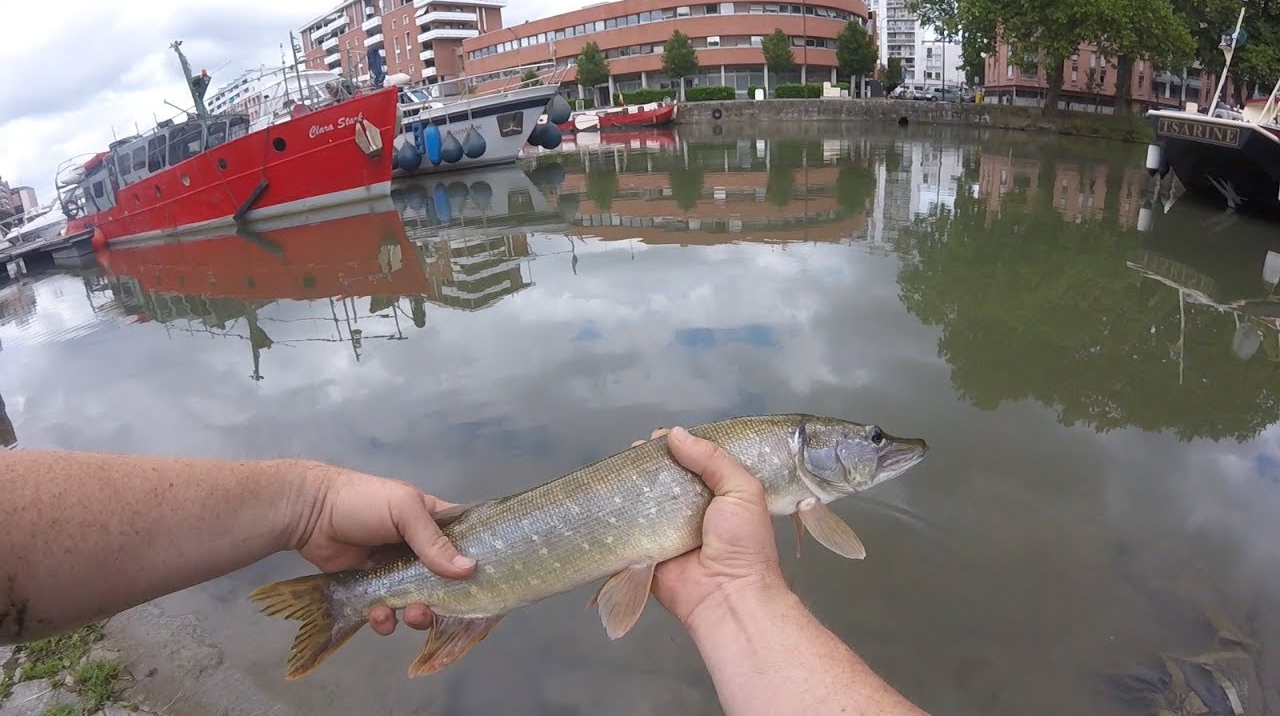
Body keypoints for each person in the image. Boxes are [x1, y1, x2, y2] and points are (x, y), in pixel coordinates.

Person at [0, 427, 926, 716]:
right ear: (827, 455)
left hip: (557, 562)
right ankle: (346, 603)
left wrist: (309, 505)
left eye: (876, 445)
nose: (887, 450)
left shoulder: (783, 481)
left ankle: (370, 600)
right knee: (464, 577)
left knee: (479, 580)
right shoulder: (787, 474)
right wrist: (744, 601)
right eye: (874, 445)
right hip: (481, 559)